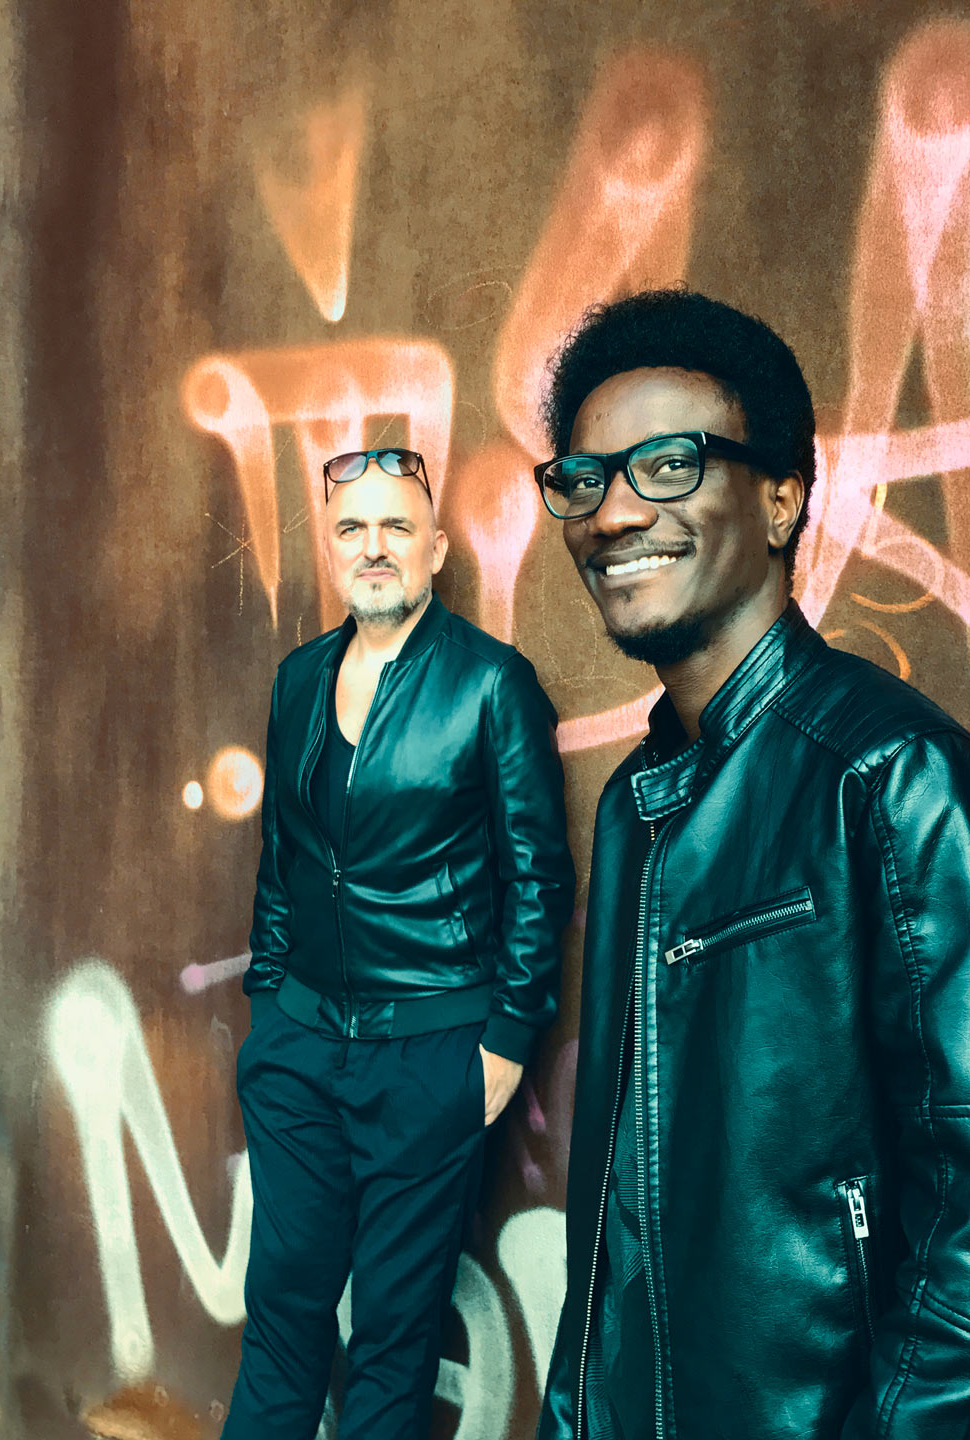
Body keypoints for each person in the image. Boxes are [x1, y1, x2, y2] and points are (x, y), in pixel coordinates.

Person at [531, 290, 970, 1439]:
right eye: (582, 479)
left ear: (780, 498)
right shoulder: (634, 809)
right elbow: (616, 1215)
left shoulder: (897, 776)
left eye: (667, 466)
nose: (613, 513)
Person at [226, 446, 575, 1439]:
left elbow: (540, 878)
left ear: (436, 548)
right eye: (352, 528)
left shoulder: (493, 685)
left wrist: (504, 1041)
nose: (373, 547)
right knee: (283, 1313)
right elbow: (284, 857)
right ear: (332, 549)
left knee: (393, 1336)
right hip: (300, 1048)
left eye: (395, 527)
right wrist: (270, 1010)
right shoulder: (299, 680)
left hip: (431, 1051)